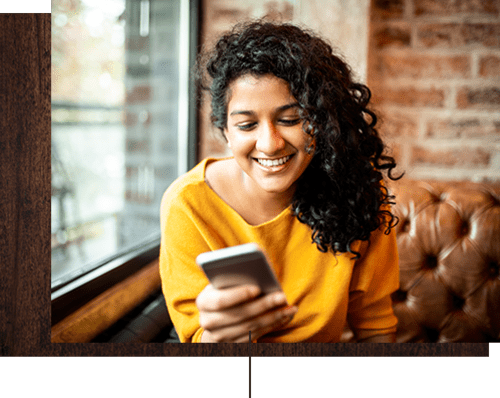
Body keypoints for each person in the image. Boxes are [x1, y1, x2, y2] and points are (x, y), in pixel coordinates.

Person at [159, 20, 401, 343]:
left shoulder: (357, 192)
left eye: (290, 120)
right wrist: (222, 337)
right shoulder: (188, 205)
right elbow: (198, 344)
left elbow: (376, 330)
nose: (270, 143)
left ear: (321, 120)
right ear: (226, 132)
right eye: (246, 125)